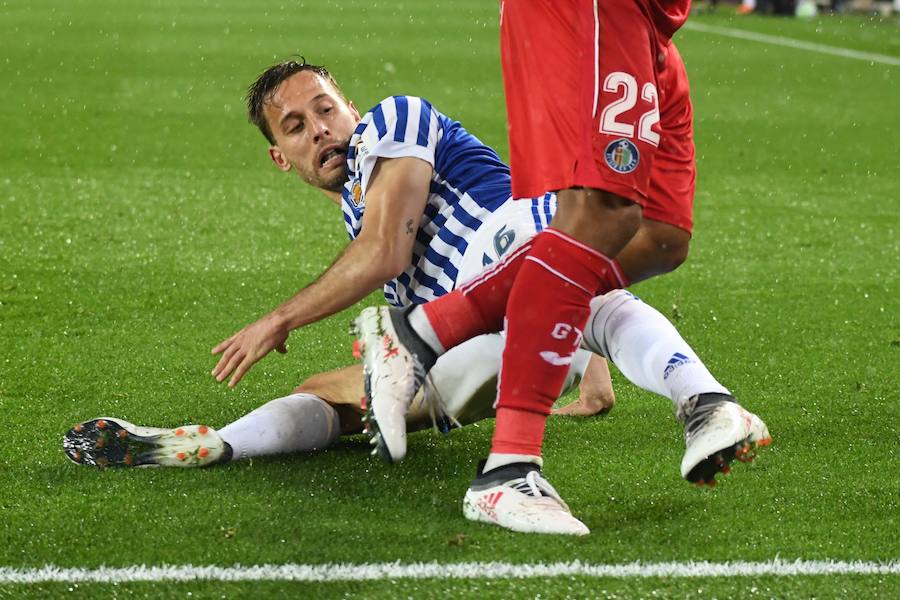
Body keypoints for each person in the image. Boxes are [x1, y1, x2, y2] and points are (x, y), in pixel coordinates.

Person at [62, 61, 768, 506]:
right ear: (283, 158)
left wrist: (278, 318)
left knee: (547, 288)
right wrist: (587, 373)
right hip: (492, 329)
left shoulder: (392, 123)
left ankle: (700, 403)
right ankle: (216, 443)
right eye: (298, 127)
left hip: (513, 252)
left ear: (351, 102)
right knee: (324, 391)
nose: (322, 131)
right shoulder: (355, 204)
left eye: (326, 108)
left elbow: (385, 255)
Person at [357, 1, 770, 535]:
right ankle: (508, 470)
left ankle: (422, 331)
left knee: (660, 236)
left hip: (648, 20)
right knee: (600, 211)